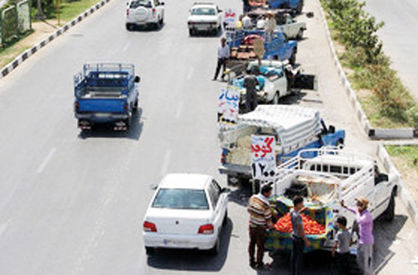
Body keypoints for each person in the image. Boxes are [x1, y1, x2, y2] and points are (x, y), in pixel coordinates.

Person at [341, 197, 374, 275]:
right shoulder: (360, 212)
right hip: (361, 240)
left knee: (366, 262)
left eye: (359, 204)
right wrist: (345, 206)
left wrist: (357, 212)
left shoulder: (367, 215)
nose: (357, 206)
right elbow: (353, 210)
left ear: (364, 206)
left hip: (367, 242)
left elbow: (359, 221)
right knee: (359, 260)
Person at [247, 184, 274, 269]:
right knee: (260, 246)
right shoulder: (265, 206)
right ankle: (259, 263)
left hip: (252, 225)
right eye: (270, 193)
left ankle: (251, 261)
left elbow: (248, 210)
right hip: (260, 228)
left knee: (252, 243)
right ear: (265, 193)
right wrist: (272, 227)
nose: (270, 194)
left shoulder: (252, 198)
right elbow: (268, 220)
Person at [291, 196, 311, 275]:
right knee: (299, 258)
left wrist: (303, 210)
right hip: (299, 239)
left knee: (294, 256)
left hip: (294, 236)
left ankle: (293, 272)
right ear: (298, 204)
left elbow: (297, 212)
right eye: (302, 203)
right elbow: (301, 231)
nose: (302, 205)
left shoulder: (292, 211)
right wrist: (306, 241)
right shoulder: (298, 216)